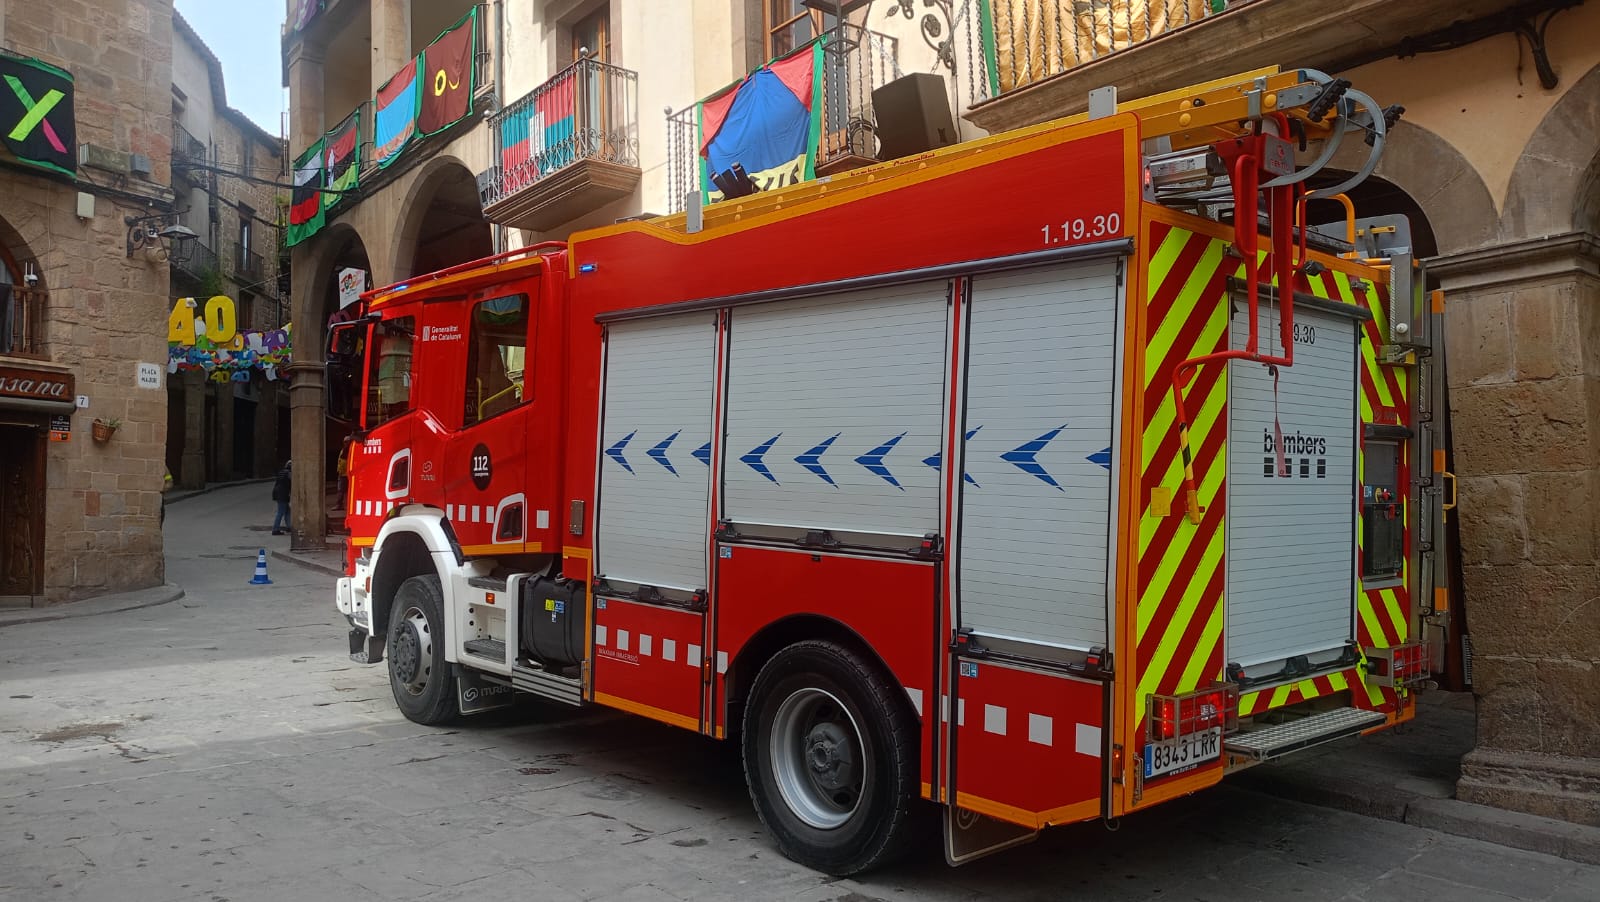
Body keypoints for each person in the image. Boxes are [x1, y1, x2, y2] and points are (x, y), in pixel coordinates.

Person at [271, 460, 292, 535]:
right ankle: (275, 529)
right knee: (280, 512)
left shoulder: (282, 472)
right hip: (282, 495)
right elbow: (291, 485)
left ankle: (289, 527)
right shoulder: (289, 474)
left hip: (278, 493)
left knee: (287, 511)